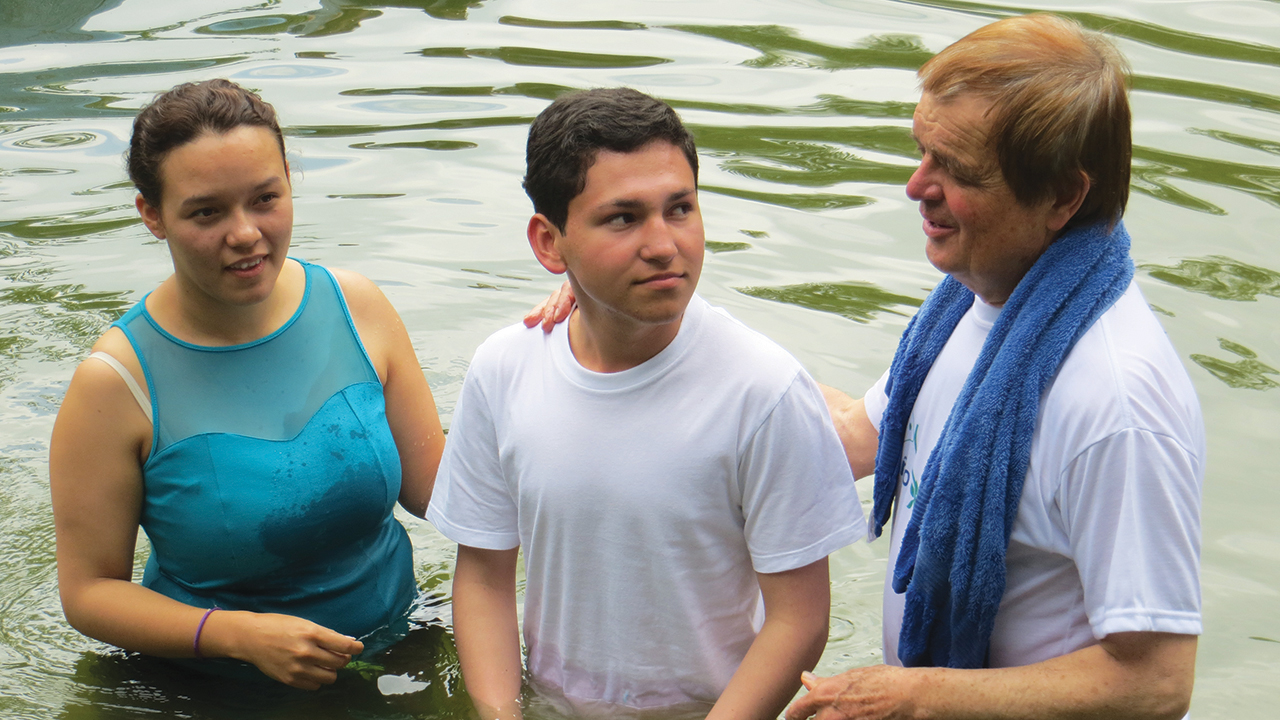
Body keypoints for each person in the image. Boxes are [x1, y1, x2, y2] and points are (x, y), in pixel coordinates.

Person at [784, 14, 1204, 720]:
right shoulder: (974, 298)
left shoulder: (1119, 403)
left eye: (958, 171)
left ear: (1062, 197)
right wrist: (654, 329)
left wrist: (915, 696)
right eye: (922, 151)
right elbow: (861, 436)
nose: (918, 186)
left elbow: (1156, 682)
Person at [427, 87, 866, 720]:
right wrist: (500, 712)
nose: (664, 244)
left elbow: (799, 620)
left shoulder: (762, 391)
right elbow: (485, 575)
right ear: (550, 243)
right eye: (623, 218)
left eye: (680, 208)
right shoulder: (505, 368)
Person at [49, 79, 445, 690]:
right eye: (207, 211)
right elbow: (88, 593)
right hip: (211, 689)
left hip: (397, 656)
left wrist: (578, 338)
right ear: (151, 214)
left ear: (289, 179)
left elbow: (442, 491)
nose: (245, 233)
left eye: (265, 198)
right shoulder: (115, 382)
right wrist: (237, 634)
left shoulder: (356, 307)